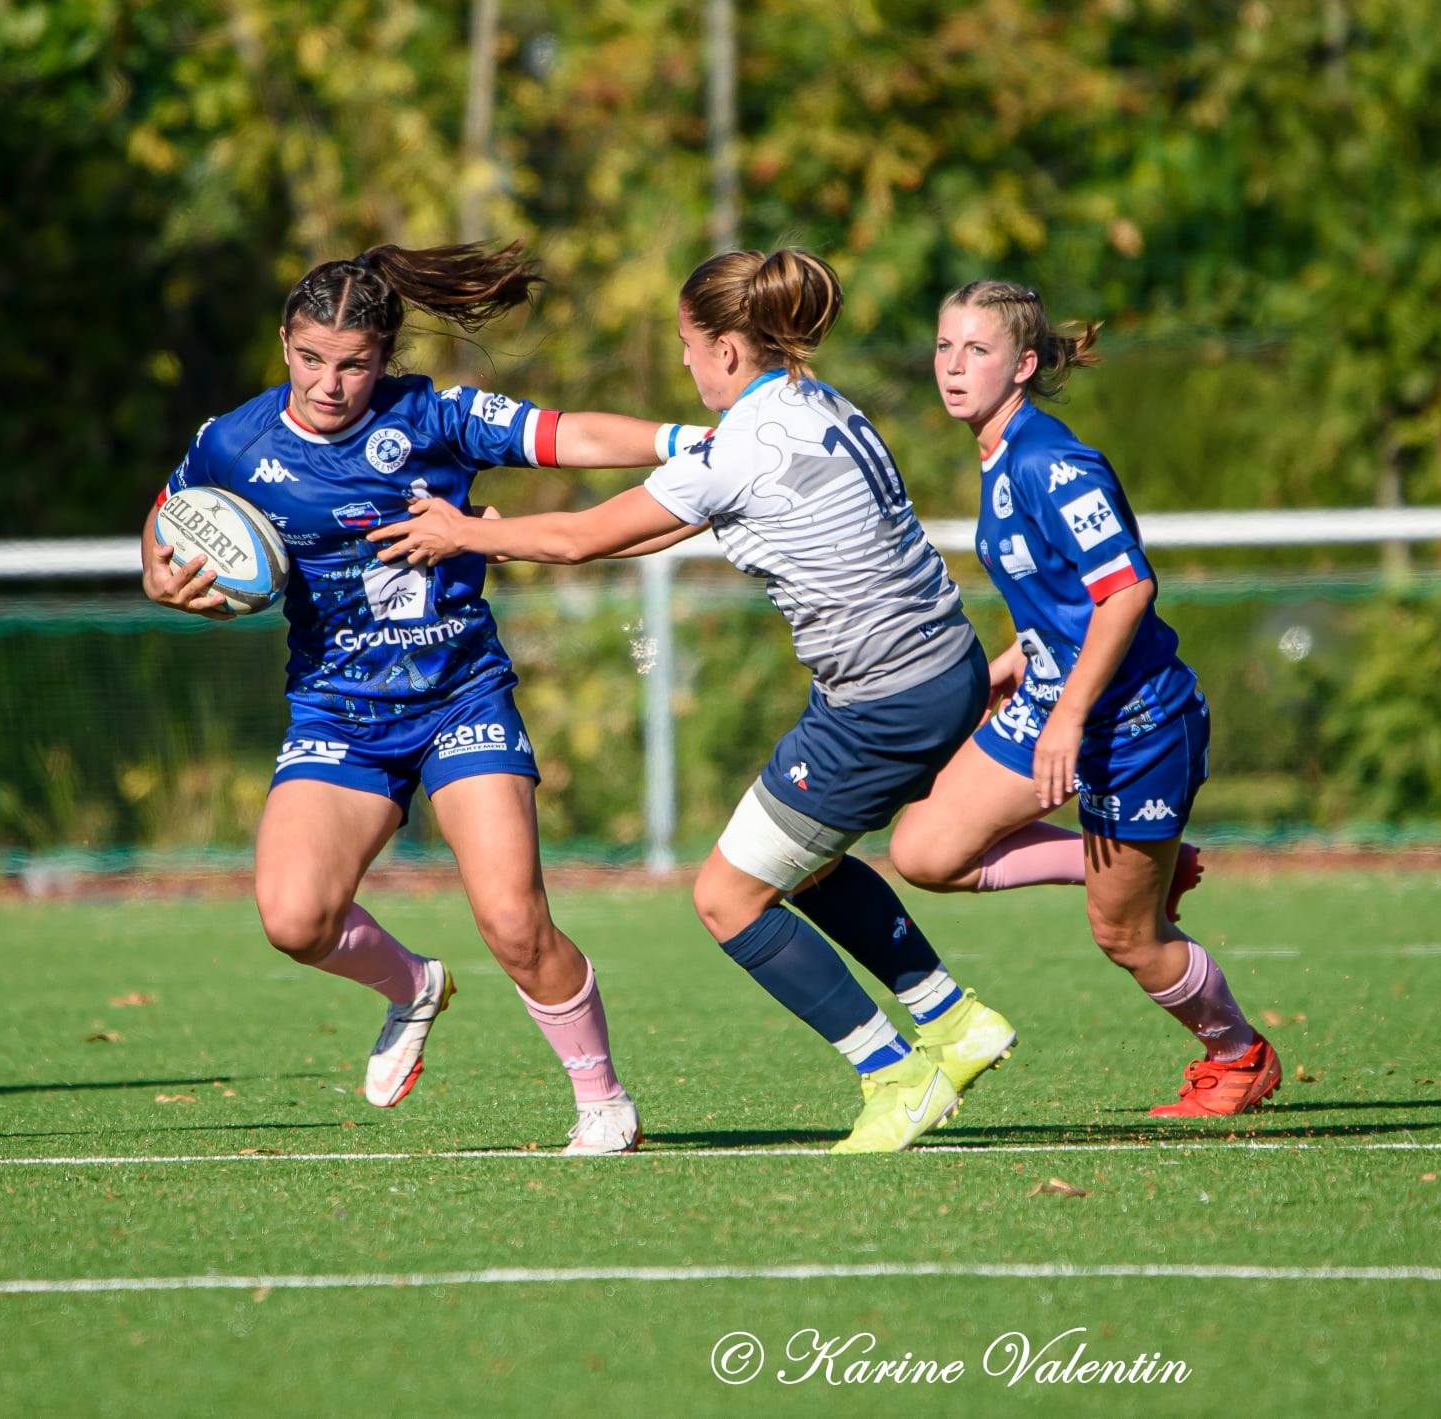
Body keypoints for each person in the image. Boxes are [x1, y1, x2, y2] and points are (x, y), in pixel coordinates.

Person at [370, 247, 1017, 1153]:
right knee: (808, 860)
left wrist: (459, 533)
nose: (681, 363)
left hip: (882, 700)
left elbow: (589, 534)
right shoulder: (818, 403)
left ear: (725, 350)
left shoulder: (740, 448)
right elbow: (654, 527)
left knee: (726, 896)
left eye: (685, 344)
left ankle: (895, 1072)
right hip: (942, 663)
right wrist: (501, 533)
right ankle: (950, 1020)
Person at [142, 240, 667, 1154]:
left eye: (352, 365)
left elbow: (566, 434)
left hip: (460, 696)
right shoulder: (235, 439)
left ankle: (602, 1099)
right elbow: (168, 516)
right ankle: (412, 986)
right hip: (337, 712)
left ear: (385, 358)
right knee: (293, 918)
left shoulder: (434, 416)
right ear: (283, 344)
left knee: (512, 918)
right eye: (309, 359)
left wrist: (685, 442)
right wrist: (162, 576)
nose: (328, 385)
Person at [886, 281, 1280, 1118]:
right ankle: (1142, 868)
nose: (953, 368)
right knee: (923, 850)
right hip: (1051, 704)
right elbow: (1064, 602)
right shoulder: (999, 453)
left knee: (1126, 936)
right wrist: (1012, 667)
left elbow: (1126, 590)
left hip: (1135, 726)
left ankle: (1238, 1053)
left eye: (977, 351)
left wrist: (1064, 713)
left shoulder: (1047, 460)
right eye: (944, 348)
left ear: (1023, 365)